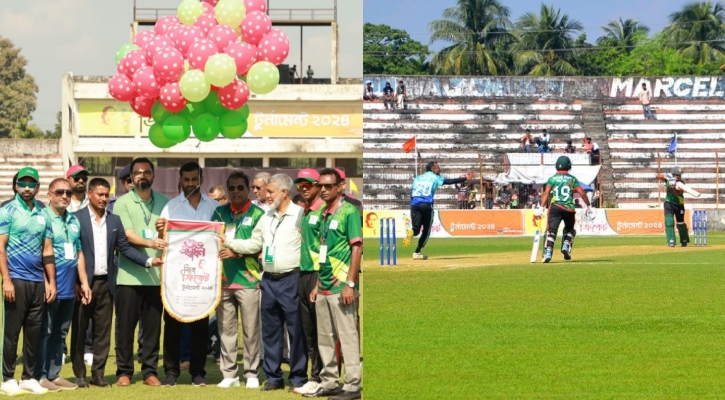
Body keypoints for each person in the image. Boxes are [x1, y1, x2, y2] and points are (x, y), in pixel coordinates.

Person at [220, 174, 309, 392]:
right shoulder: (266, 216)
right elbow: (254, 243)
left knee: (295, 330)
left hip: (291, 277)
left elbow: (308, 244)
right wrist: (228, 241)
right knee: (270, 330)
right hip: (268, 279)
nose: (265, 196)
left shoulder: (300, 215)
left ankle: (298, 377)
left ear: (284, 193)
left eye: (270, 192)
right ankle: (273, 377)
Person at [71, 178, 161, 388]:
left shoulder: (114, 220)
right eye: (99, 194)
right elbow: (74, 252)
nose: (103, 199)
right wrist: (76, 282)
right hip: (83, 283)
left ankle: (98, 375)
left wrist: (149, 261)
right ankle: (80, 375)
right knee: (80, 330)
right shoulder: (75, 218)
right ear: (89, 194)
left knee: (104, 331)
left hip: (107, 283)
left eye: (106, 195)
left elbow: (125, 248)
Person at [155, 162, 220, 387]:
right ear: (179, 181)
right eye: (186, 179)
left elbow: (220, 238)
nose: (190, 183)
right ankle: (171, 372)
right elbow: (163, 238)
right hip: (176, 276)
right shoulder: (170, 207)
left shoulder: (214, 207)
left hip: (202, 277)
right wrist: (158, 229)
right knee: (172, 326)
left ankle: (198, 372)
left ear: (202, 179)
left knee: (200, 327)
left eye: (194, 179)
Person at [304, 168, 362, 400]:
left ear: (340, 186)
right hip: (325, 285)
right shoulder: (324, 214)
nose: (324, 190)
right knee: (325, 337)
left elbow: (356, 247)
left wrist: (350, 283)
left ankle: (352, 385)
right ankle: (329, 382)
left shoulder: (348, 212)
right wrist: (318, 283)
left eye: (329, 185)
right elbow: (323, 252)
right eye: (322, 186)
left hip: (341, 287)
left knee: (347, 336)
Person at [112, 157, 169, 387]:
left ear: (153, 175)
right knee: (125, 327)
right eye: (138, 173)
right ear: (131, 177)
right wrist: (153, 243)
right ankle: (124, 371)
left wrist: (163, 236)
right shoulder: (122, 203)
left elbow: (172, 235)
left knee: (153, 329)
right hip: (128, 276)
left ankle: (149, 372)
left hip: (157, 278)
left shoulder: (166, 202)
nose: (142, 176)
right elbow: (127, 236)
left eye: (146, 172)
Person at [0, 167, 56, 396]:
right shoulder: (7, 211)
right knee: (12, 332)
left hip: (37, 283)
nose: (26, 188)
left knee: (34, 332)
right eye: (22, 183)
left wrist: (51, 282)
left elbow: (47, 250)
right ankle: (7, 378)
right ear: (15, 186)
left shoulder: (44, 215)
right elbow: (0, 247)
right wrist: (6, 280)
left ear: (37, 188)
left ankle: (28, 378)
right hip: (16, 280)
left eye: (31, 184)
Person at [34, 179, 92, 392]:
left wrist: (84, 283)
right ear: (49, 195)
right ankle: (39, 375)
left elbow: (78, 253)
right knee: (45, 331)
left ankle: (54, 374)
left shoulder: (74, 220)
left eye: (68, 192)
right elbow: (37, 253)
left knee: (60, 333)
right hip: (49, 287)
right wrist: (48, 282)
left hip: (69, 288)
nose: (65, 196)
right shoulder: (41, 218)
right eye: (59, 192)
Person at [211, 171, 266, 389]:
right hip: (223, 281)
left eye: (240, 188)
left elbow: (259, 244)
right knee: (226, 330)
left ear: (248, 189)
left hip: (249, 280)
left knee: (251, 330)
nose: (236, 192)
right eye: (231, 188)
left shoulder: (258, 214)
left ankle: (252, 373)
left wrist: (236, 252)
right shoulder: (218, 212)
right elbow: (211, 240)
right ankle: (230, 374)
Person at [291, 168, 324, 395]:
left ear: (318, 186)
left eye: (308, 184)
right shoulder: (304, 211)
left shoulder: (322, 210)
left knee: (321, 331)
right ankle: (315, 376)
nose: (303, 188)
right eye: (300, 184)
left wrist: (319, 281)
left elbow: (324, 247)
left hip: (316, 274)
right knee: (308, 330)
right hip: (302, 274)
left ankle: (322, 377)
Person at [404, 162, 474, 259]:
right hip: (426, 204)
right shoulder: (435, 177)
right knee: (426, 230)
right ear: (433, 169)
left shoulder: (418, 178)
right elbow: (449, 181)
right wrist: (465, 178)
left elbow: (411, 192)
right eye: (438, 168)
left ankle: (411, 232)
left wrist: (414, 203)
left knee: (416, 229)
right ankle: (417, 252)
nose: (440, 169)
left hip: (414, 204)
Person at [534, 156, 592, 263]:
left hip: (555, 207)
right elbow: (582, 193)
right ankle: (566, 245)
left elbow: (546, 193)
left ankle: (548, 252)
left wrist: (541, 208)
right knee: (569, 229)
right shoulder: (572, 179)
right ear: (569, 166)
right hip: (569, 208)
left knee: (551, 231)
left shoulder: (552, 179)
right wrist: (589, 206)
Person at [656, 167, 690, 247]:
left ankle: (684, 240)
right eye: (676, 175)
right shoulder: (669, 179)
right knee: (669, 222)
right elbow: (657, 176)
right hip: (669, 204)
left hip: (679, 205)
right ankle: (671, 241)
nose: (678, 176)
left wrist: (673, 186)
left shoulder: (681, 183)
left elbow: (676, 193)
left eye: (679, 175)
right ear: (673, 174)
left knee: (681, 223)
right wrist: (666, 176)